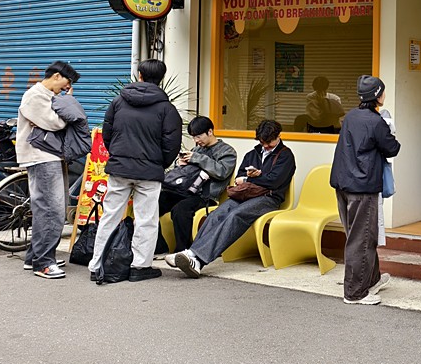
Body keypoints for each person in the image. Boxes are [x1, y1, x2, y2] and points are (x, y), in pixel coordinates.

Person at [88, 59, 182, 283]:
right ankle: (140, 266)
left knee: (110, 215)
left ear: (139, 75)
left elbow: (107, 134)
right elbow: (172, 145)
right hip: (149, 172)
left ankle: (98, 264)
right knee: (146, 219)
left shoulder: (119, 102)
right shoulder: (166, 108)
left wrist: (119, 156)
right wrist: (159, 163)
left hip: (119, 169)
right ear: (161, 78)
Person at [168, 119, 295, 278]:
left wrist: (252, 179)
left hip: (269, 198)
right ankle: (191, 254)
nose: (266, 146)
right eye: (263, 142)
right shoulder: (252, 154)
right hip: (245, 194)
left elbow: (274, 181)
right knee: (217, 214)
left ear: (278, 136)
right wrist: (248, 178)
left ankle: (198, 259)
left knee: (235, 215)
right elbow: (239, 176)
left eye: (269, 142)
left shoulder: (285, 155)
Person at [330, 76, 401, 304]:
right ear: (378, 95)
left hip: (342, 183)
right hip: (362, 187)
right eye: (383, 92)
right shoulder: (376, 121)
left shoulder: (350, 117)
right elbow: (392, 148)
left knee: (358, 235)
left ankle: (372, 279)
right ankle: (355, 293)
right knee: (361, 239)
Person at [17, 61, 79, 279]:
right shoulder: (35, 96)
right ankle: (43, 263)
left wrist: (62, 101)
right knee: (51, 209)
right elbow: (56, 123)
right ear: (56, 76)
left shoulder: (48, 96)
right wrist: (66, 102)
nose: (66, 87)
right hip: (41, 158)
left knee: (51, 207)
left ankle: (34, 256)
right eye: (66, 82)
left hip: (50, 156)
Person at [159, 116, 237, 254]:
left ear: (210, 132)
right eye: (194, 137)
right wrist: (180, 163)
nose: (196, 141)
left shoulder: (227, 151)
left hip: (205, 196)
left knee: (180, 210)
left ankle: (182, 251)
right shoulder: (198, 150)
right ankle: (159, 247)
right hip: (184, 190)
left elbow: (222, 172)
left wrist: (197, 158)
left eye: (199, 136)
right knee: (155, 202)